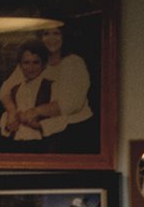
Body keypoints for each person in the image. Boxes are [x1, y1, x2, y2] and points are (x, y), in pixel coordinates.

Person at [29, 23, 95, 154]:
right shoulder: (38, 62)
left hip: (74, 134)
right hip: (45, 132)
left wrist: (35, 112)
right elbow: (9, 88)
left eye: (56, 33)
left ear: (64, 36)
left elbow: (70, 104)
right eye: (46, 34)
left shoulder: (73, 63)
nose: (51, 38)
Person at [0, 40, 51, 142]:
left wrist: (38, 125)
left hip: (43, 144)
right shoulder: (15, 88)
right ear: (20, 66)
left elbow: (61, 117)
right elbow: (6, 116)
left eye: (36, 62)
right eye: (26, 63)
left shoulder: (50, 87)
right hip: (15, 143)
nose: (30, 68)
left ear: (43, 65)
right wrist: (8, 125)